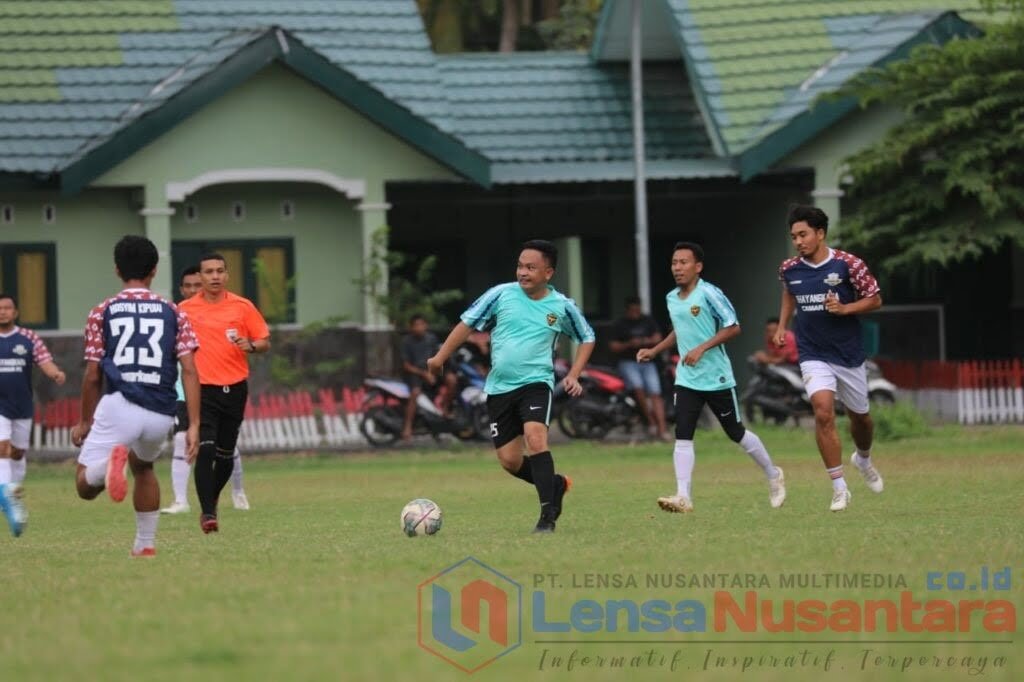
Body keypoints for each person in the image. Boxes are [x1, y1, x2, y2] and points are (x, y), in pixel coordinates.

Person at [426, 239, 595, 533]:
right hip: (500, 388)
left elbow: (587, 337)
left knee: (536, 437)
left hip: (536, 383)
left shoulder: (562, 306)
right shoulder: (500, 295)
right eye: (520, 266)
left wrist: (574, 373)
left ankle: (547, 518)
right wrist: (440, 357)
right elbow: (466, 324)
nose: (523, 272)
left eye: (531, 267)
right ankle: (554, 484)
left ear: (548, 273)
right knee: (509, 461)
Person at [70, 235, 200, 556]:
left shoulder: (103, 311)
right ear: (154, 270)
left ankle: (109, 467)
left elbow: (92, 374)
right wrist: (194, 423)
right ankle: (145, 545)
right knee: (144, 467)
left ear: (117, 270)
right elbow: (190, 369)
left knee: (85, 484)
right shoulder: (174, 311)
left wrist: (84, 421)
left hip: (120, 404)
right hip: (161, 412)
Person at [638, 242, 785, 513]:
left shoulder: (710, 293)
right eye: (674, 262)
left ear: (698, 267)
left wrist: (701, 348)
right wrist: (655, 350)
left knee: (736, 433)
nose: (677, 268)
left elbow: (734, 327)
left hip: (716, 377)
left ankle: (773, 474)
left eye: (683, 262)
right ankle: (683, 496)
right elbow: (679, 331)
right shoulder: (672, 298)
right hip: (687, 378)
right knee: (682, 434)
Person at [775, 205, 884, 512]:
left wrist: (846, 309)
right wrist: (783, 326)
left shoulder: (849, 264)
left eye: (803, 234)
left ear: (820, 233)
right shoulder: (789, 269)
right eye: (794, 236)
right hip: (812, 354)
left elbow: (875, 299)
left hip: (848, 355)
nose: (798, 241)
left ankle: (862, 458)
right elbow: (788, 292)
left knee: (860, 417)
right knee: (822, 412)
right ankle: (839, 488)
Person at [180, 253, 270, 533]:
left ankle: (211, 495)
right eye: (209, 272)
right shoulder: (184, 309)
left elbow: (264, 341)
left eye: (220, 271)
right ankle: (208, 514)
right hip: (202, 389)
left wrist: (251, 346)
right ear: (201, 277)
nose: (215, 276)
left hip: (235, 388)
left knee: (225, 456)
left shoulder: (242, 307)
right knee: (204, 451)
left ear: (227, 275)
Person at [161, 266, 249, 514]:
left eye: (195, 286)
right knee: (182, 439)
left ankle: (237, 491)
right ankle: (181, 500)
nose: (191, 290)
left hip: (213, 387)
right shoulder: (178, 314)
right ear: (181, 289)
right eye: (186, 286)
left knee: (224, 448)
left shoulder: (220, 312)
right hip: (182, 390)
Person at [0, 294, 66, 537]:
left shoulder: (28, 338)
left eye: (7, 308)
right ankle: (7, 494)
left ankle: (12, 492)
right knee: (2, 447)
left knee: (17, 452)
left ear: (15, 312)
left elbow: (45, 361)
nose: (3, 312)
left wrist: (55, 373)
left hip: (22, 406)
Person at [609, 295, 668, 440]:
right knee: (638, 387)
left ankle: (662, 428)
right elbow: (613, 346)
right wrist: (629, 344)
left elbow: (658, 338)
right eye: (632, 310)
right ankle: (650, 421)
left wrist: (643, 342)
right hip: (628, 361)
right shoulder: (621, 324)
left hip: (647, 361)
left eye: (637, 310)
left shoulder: (648, 321)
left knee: (655, 392)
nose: (635, 313)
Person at [399, 314, 455, 441]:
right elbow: (407, 366)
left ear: (426, 325)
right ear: (411, 327)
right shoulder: (406, 341)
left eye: (422, 325)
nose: (419, 328)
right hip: (415, 374)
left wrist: (434, 371)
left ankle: (445, 409)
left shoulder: (431, 339)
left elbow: (438, 357)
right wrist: (424, 374)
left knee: (452, 379)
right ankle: (407, 427)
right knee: (415, 393)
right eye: (416, 325)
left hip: (431, 371)